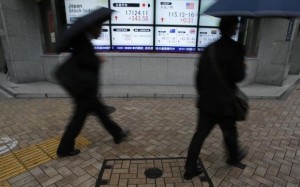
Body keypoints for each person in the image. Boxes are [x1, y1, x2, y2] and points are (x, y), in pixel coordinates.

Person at [55, 8, 128, 157]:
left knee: (100, 113)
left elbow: (83, 61)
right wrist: (98, 59)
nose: (101, 30)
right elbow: (87, 63)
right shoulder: (83, 44)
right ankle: (64, 148)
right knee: (79, 120)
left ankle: (117, 134)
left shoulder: (82, 41)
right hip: (85, 90)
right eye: (99, 27)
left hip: (85, 89)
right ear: (92, 28)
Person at [184, 16, 247, 180]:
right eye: (236, 26)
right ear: (233, 28)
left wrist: (202, 95)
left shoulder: (208, 49)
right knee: (229, 131)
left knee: (199, 135)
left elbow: (198, 77)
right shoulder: (237, 48)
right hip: (226, 104)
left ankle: (190, 169)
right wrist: (242, 66)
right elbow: (238, 77)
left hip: (206, 103)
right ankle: (233, 157)